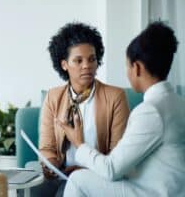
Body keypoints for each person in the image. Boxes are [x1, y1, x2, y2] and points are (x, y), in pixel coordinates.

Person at [62, 21, 185, 196]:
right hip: (164, 188)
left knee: (78, 180)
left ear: (137, 68)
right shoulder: (178, 103)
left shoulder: (151, 111)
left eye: (127, 66)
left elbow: (111, 169)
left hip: (152, 192)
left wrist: (79, 143)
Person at [34, 22, 130, 197]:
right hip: (63, 174)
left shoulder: (115, 97)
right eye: (78, 60)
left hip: (99, 176)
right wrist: (51, 164)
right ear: (64, 64)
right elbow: (47, 147)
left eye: (92, 59)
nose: (87, 65)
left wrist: (82, 169)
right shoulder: (53, 97)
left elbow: (118, 155)